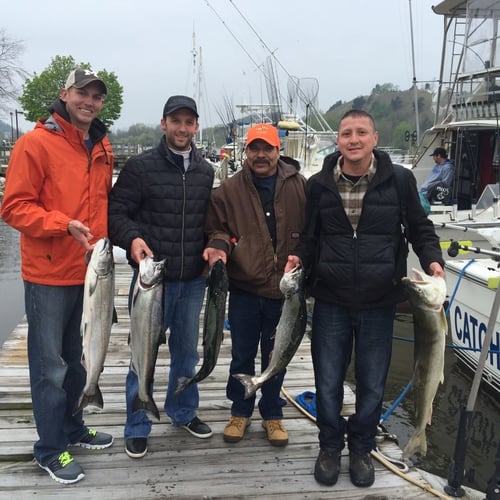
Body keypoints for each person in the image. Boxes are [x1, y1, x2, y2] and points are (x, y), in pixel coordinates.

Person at [285, 110, 444, 488]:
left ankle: (360, 447)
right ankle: (328, 446)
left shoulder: (400, 181)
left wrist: (433, 261)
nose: (353, 140)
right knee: (327, 380)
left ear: (374, 138)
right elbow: (309, 237)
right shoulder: (319, 184)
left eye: (361, 133)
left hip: (379, 300)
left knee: (373, 383)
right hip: (331, 299)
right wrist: (300, 258)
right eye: (345, 134)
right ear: (337, 140)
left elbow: (421, 229)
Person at [0, 68, 114, 484]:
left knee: (79, 360)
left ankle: (73, 427)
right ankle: (50, 449)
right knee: (50, 367)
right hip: (48, 275)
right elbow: (13, 207)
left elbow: (103, 206)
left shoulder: (101, 145)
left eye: (97, 96)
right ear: (65, 94)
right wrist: (61, 223)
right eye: (82, 93)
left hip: (90, 272)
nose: (89, 101)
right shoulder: (34, 144)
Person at [108, 95, 215, 459]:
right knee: (143, 354)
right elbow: (117, 213)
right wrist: (132, 238)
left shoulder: (206, 171)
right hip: (152, 283)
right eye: (176, 121)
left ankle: (182, 411)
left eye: (189, 122)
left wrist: (217, 244)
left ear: (196, 126)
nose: (182, 128)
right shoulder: (140, 167)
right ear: (163, 123)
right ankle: (137, 424)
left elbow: (211, 222)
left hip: (192, 281)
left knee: (186, 355)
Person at [203, 123, 306, 447]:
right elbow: (217, 230)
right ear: (245, 151)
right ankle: (241, 409)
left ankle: (272, 413)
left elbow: (314, 229)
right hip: (246, 288)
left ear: (279, 151)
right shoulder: (228, 191)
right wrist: (218, 247)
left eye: (268, 148)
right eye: (254, 148)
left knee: (279, 354)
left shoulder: (300, 186)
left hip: (286, 292)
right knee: (243, 355)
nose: (261, 155)